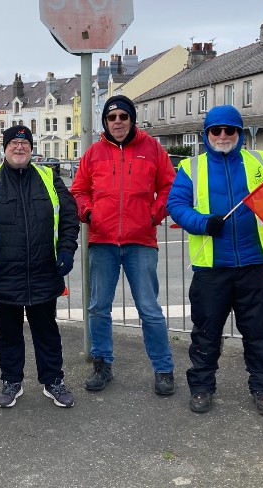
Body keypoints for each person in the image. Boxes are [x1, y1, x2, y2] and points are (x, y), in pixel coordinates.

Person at [167, 106, 263, 416]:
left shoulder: (262, 162)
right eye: (216, 130)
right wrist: (202, 223)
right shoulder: (191, 168)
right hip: (212, 268)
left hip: (254, 265)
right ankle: (201, 387)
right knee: (206, 333)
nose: (223, 135)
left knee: (259, 333)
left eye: (230, 130)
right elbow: (176, 204)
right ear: (206, 134)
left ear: (239, 133)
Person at [70, 95, 177, 396]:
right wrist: (89, 213)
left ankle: (163, 368)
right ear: (105, 122)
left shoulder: (153, 149)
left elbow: (169, 187)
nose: (117, 121)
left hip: (140, 241)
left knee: (149, 309)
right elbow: (79, 190)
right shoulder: (93, 153)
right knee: (99, 308)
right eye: (112, 117)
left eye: (123, 116)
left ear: (132, 119)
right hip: (102, 241)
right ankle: (102, 363)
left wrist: (153, 215)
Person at [0, 125, 80, 408]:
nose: (19, 148)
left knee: (47, 331)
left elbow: (70, 213)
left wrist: (67, 249)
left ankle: (53, 380)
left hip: (44, 270)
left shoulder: (48, 176)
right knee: (9, 332)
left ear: (31, 149)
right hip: (5, 274)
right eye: (13, 144)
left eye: (24, 144)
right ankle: (11, 381)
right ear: (4, 149)